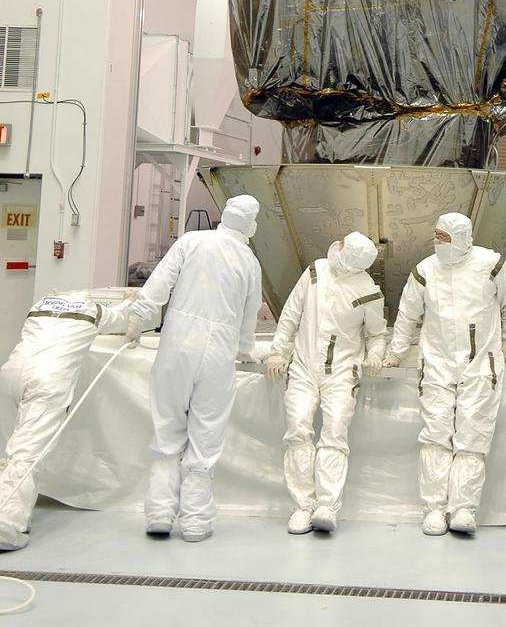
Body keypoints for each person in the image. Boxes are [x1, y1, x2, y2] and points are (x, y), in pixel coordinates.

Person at [126, 193, 262, 543]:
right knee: (205, 435)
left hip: (177, 345)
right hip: (219, 352)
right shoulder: (249, 261)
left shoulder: (192, 240)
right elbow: (249, 315)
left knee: (167, 428)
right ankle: (196, 522)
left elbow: (160, 281)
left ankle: (159, 513)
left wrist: (138, 319)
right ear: (250, 224)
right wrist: (245, 349)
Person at [384, 211, 506, 537]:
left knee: (473, 439)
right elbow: (407, 315)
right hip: (436, 363)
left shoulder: (490, 265)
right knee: (435, 436)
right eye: (437, 237)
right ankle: (433, 509)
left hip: (480, 365)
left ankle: (463, 509)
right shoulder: (425, 270)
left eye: (446, 238)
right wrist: (394, 353)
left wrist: (505, 343)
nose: (439, 244)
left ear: (463, 237)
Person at [265, 232, 386, 536]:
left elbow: (376, 333)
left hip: (341, 372)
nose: (337, 246)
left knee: (334, 432)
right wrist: (278, 351)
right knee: (298, 428)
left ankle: (326, 506)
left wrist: (375, 353)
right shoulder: (316, 271)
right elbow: (291, 314)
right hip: (304, 367)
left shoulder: (368, 291)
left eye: (343, 246)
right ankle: (303, 506)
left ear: (353, 259)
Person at [0, 289, 136, 552]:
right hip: (47, 380)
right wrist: (133, 301)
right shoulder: (91, 311)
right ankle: (8, 524)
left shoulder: (39, 306)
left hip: (10, 374)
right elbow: (121, 319)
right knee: (27, 454)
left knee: (9, 449)